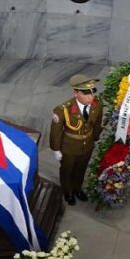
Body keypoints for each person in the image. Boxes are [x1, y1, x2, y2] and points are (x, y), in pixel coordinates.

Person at [50, 74, 103, 205]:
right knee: (67, 170)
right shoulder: (63, 110)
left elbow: (97, 123)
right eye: (86, 93)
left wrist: (95, 138)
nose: (91, 96)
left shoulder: (97, 105)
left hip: (87, 145)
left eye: (92, 92)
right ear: (75, 93)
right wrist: (56, 149)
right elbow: (55, 132)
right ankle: (68, 192)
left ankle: (77, 188)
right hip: (69, 147)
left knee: (81, 168)